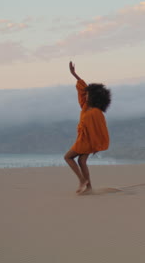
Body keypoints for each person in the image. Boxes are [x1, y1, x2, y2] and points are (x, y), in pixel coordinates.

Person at [64, 61, 111, 195]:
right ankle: (89, 188)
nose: (86, 95)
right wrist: (74, 74)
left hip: (86, 141)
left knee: (68, 157)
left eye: (89, 94)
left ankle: (82, 181)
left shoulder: (95, 112)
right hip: (86, 141)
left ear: (94, 97)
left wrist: (96, 145)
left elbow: (100, 130)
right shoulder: (86, 106)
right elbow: (83, 88)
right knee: (82, 161)